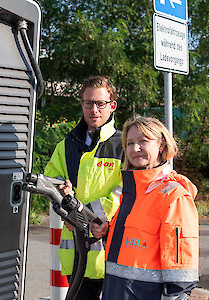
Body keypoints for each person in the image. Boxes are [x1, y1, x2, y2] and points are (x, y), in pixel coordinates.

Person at [102, 115, 199, 300]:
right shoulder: (130, 192)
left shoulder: (174, 197)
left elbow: (180, 275)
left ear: (161, 145)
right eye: (130, 143)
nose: (135, 149)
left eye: (143, 141)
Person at [44, 76, 124, 299]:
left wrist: (91, 217)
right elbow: (51, 183)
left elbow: (123, 191)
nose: (94, 109)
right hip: (77, 256)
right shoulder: (66, 145)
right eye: (88, 103)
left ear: (112, 106)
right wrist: (63, 200)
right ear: (82, 105)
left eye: (100, 103)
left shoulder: (124, 144)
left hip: (113, 256)